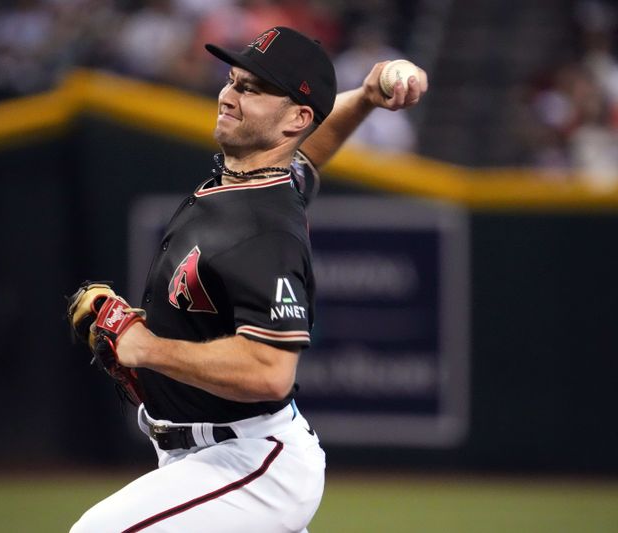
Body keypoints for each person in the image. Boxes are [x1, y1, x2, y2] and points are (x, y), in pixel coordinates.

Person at [68, 26, 427, 533]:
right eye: (233, 80)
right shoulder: (260, 176)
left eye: (252, 89)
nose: (228, 96)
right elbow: (308, 147)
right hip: (204, 456)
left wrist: (145, 348)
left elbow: (269, 370)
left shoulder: (264, 229)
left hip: (252, 465)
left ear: (295, 118)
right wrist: (367, 96)